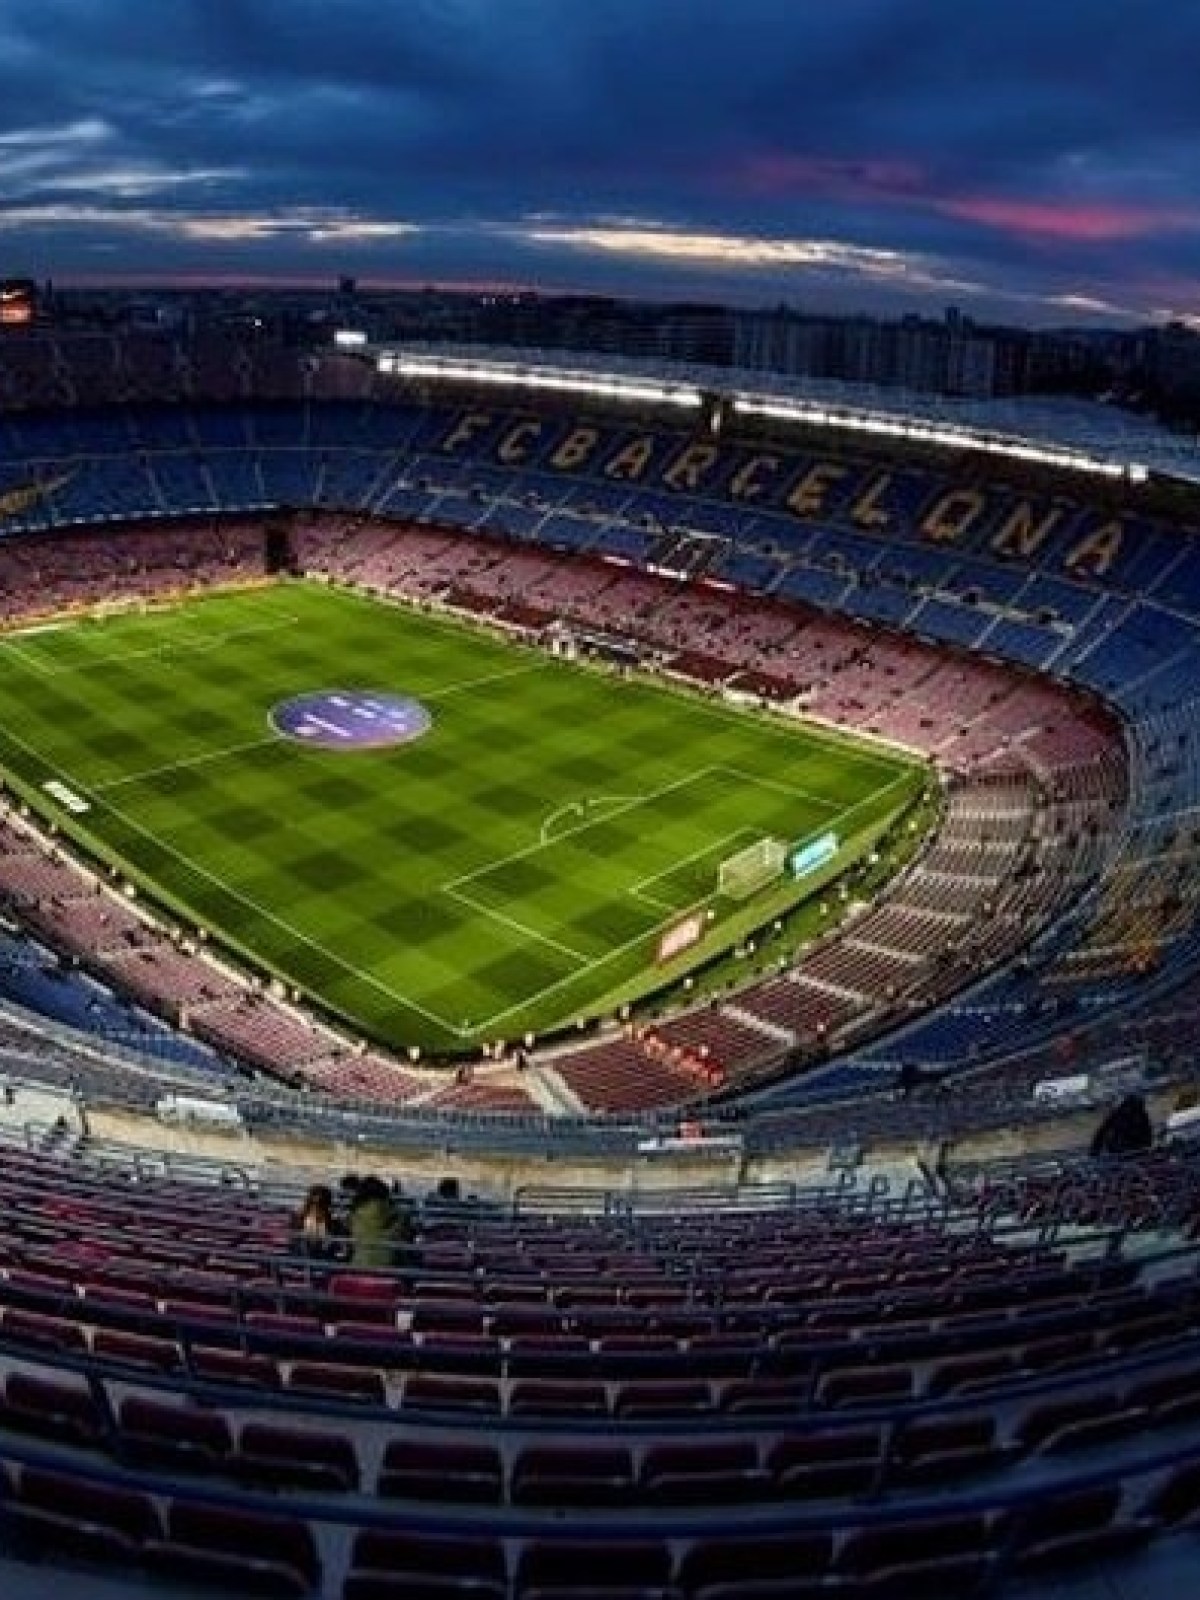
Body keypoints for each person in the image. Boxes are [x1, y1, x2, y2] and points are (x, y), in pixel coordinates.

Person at [348, 1174, 401, 1269]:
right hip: (390, 1268)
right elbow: (405, 1235)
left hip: (359, 1266)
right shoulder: (397, 1215)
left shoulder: (355, 1214)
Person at [1090, 1093, 1154, 1158]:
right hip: (1119, 1145)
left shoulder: (1142, 1115)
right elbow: (1102, 1131)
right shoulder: (1118, 1113)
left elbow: (1148, 1134)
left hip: (1135, 1145)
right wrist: (1094, 1150)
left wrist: (1146, 1147)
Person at [291, 1184, 345, 1260]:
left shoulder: (336, 1225)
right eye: (314, 1204)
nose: (317, 1209)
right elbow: (293, 1245)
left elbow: (341, 1250)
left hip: (325, 1260)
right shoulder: (298, 1220)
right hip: (301, 1259)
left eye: (321, 1205)